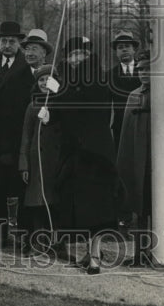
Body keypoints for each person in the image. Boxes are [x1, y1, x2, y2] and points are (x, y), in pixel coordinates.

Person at [46, 37, 122, 275]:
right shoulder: (65, 81)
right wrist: (50, 110)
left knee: (97, 205)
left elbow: (86, 108)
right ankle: (84, 251)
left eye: (82, 54)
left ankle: (96, 254)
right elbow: (62, 116)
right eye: (73, 55)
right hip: (73, 153)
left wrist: (60, 93)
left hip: (96, 153)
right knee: (75, 204)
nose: (77, 59)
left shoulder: (99, 80)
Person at [0, 20, 33, 245]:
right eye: (4, 41)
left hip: (18, 137)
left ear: (19, 44)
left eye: (12, 42)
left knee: (20, 187)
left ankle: (23, 235)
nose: (7, 45)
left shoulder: (27, 67)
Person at [116, 50, 154, 266]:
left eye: (148, 69)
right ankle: (140, 252)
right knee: (140, 207)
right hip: (138, 159)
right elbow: (127, 133)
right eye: (140, 69)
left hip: (156, 161)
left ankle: (159, 251)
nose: (143, 73)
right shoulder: (134, 95)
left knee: (156, 205)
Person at [19, 64, 62, 248]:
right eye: (41, 80)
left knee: (56, 201)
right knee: (37, 201)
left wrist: (52, 119)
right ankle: (36, 241)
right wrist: (24, 165)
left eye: (49, 79)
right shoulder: (32, 105)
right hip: (37, 160)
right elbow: (26, 137)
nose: (45, 83)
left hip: (57, 160)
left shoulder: (62, 102)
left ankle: (57, 242)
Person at [108, 30, 142, 149]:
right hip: (120, 126)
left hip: (143, 124)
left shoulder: (146, 71)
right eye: (120, 47)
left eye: (127, 46)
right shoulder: (110, 75)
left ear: (134, 49)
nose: (124, 49)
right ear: (116, 52)